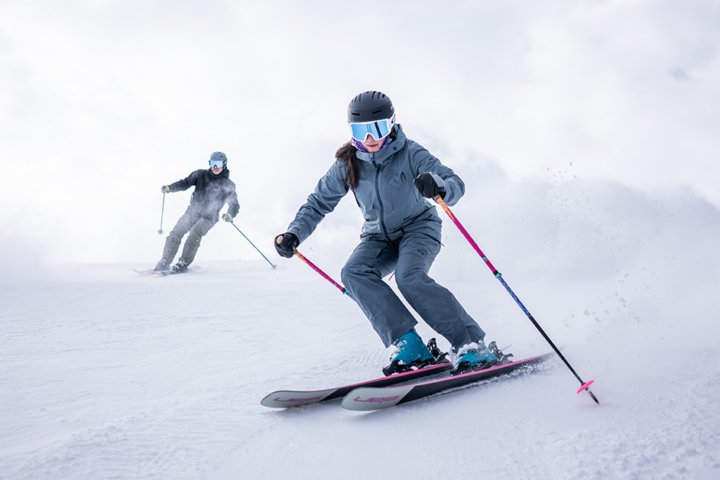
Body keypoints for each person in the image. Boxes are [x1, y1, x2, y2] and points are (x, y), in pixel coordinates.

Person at [274, 91, 497, 376]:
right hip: (378, 238)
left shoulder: (410, 153)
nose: (369, 139)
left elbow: (455, 182)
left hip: (419, 228)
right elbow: (318, 202)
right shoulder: (348, 162)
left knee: (409, 278)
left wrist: (438, 185)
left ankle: (470, 344)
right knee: (354, 272)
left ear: (391, 124)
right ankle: (408, 343)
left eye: (377, 128)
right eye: (360, 131)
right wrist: (295, 233)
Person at [154, 151, 240, 274]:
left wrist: (230, 214)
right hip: (193, 212)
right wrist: (170, 188)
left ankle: (183, 262)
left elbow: (234, 204)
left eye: (218, 164)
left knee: (195, 232)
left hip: (209, 218)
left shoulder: (228, 185)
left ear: (224, 165)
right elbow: (184, 183)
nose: (215, 167)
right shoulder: (200, 175)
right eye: (213, 163)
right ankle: (165, 261)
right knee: (177, 231)